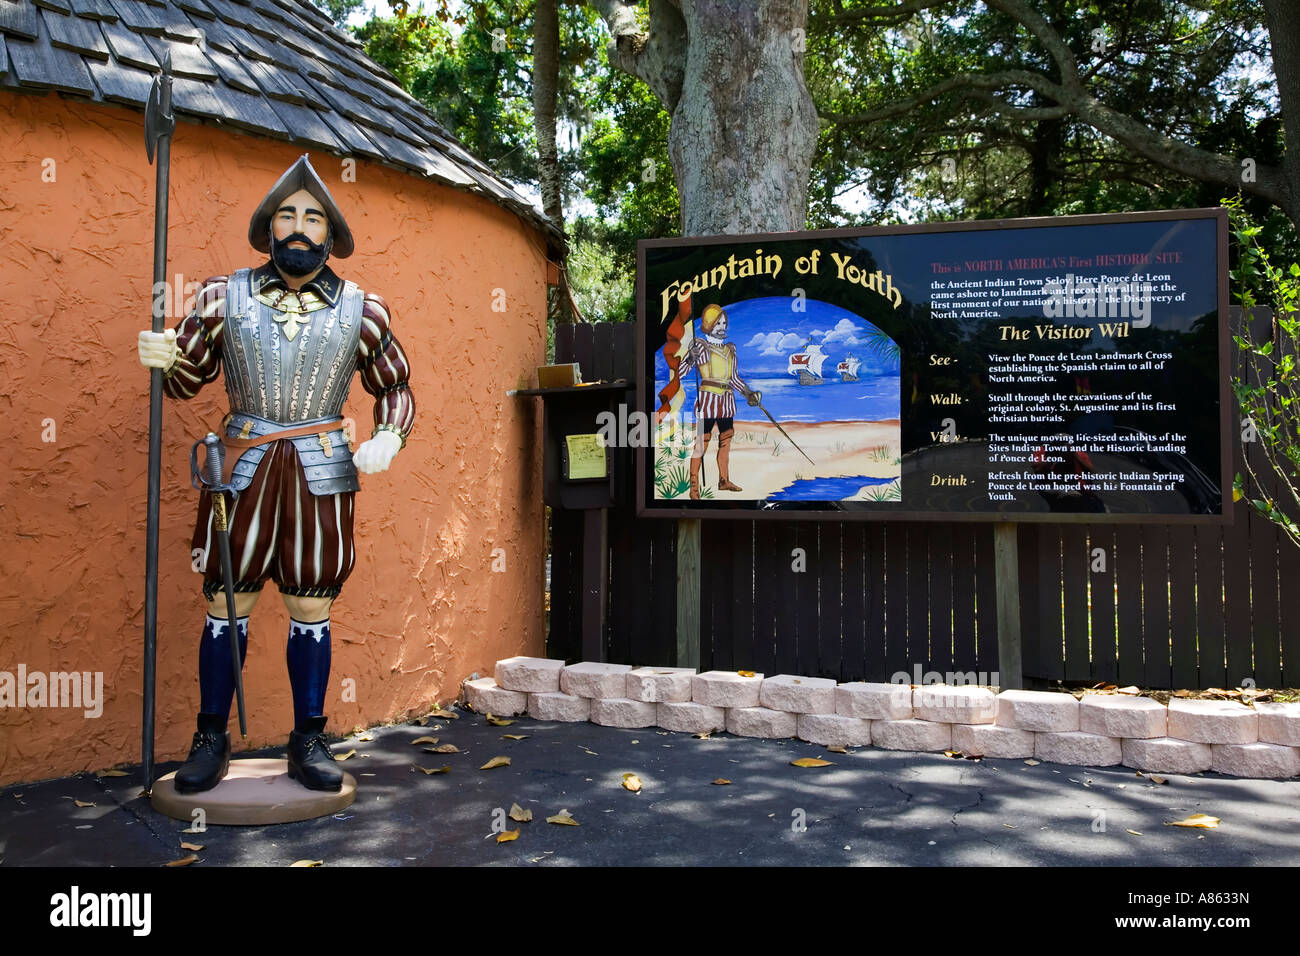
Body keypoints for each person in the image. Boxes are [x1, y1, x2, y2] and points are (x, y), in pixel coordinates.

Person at [137, 155, 415, 793]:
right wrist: (164, 358)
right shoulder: (220, 296)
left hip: (321, 466)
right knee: (225, 600)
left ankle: (309, 737)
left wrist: (389, 436)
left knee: (309, 602)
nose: (298, 226)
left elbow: (395, 383)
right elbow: (187, 381)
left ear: (329, 232)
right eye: (287, 214)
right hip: (242, 465)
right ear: (268, 226)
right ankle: (211, 736)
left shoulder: (362, 311)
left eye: (312, 216)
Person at [681, 304, 759, 499]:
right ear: (709, 324)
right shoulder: (699, 345)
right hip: (707, 401)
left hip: (726, 403)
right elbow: (680, 373)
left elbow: (733, 379)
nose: (722, 327)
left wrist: (748, 393)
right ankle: (694, 488)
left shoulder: (730, 350)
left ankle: (724, 480)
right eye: (718, 323)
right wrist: (690, 359)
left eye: (724, 323)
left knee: (725, 442)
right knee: (701, 445)